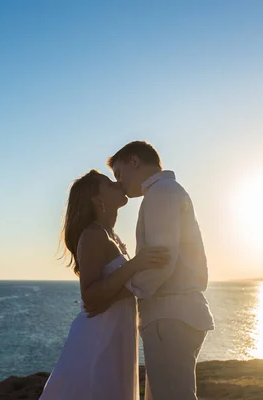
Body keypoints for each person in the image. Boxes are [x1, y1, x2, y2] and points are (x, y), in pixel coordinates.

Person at [40, 169, 169, 400]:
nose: (118, 184)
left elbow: (119, 288)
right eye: (109, 184)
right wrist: (136, 265)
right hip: (98, 339)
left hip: (115, 334)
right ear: (98, 200)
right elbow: (90, 297)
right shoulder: (92, 235)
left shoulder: (110, 235)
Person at [104, 141, 214, 400]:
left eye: (119, 173)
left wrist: (122, 287)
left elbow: (160, 262)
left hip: (169, 315)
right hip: (175, 315)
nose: (119, 183)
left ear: (135, 161)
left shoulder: (162, 192)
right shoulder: (167, 191)